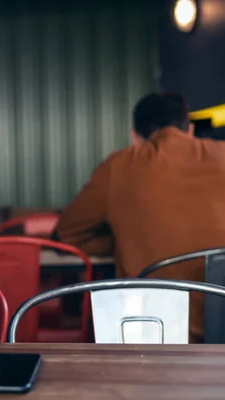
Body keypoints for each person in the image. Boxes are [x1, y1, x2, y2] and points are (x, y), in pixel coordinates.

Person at [54, 92, 225, 343]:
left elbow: (66, 232)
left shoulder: (120, 165)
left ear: (135, 136)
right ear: (189, 129)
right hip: (220, 336)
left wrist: (124, 242)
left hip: (151, 337)